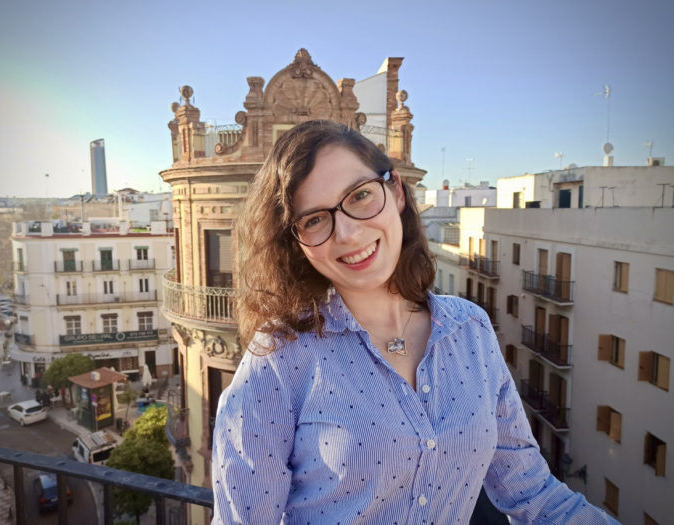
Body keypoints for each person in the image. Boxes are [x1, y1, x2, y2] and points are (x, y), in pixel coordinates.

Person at [211, 120, 619, 524]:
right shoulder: (279, 359)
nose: (349, 233)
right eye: (314, 219)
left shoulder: (470, 331)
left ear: (396, 192)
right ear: (297, 244)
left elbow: (532, 494)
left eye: (360, 195)